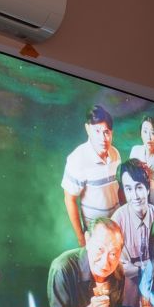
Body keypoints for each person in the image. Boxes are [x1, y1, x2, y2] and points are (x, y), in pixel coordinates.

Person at [47, 216, 144, 307]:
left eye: (113, 253)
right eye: (100, 249)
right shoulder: (62, 269)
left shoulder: (117, 271)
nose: (105, 262)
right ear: (87, 240)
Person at [61, 104, 122, 246]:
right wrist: (81, 238)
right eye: (97, 131)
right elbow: (69, 199)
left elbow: (119, 190)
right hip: (95, 232)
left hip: (116, 227)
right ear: (88, 129)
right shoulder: (77, 159)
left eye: (106, 132)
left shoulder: (115, 154)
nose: (103, 138)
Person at [112, 159, 154, 287]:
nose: (135, 196)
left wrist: (136, 269)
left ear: (148, 189)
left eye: (139, 187)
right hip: (127, 289)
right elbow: (121, 268)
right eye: (129, 189)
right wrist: (147, 267)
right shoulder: (117, 222)